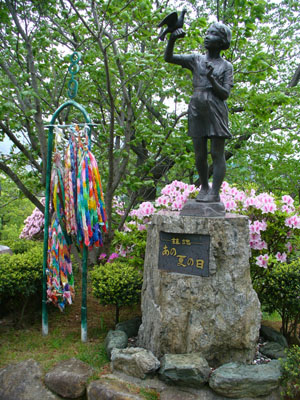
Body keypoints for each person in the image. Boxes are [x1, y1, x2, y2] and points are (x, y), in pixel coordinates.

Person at [164, 22, 233, 202]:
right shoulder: (196, 59)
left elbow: (225, 94)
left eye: (213, 34)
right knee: (199, 153)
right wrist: (172, 39)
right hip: (196, 107)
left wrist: (212, 78)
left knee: (217, 153)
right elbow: (169, 57)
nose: (207, 36)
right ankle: (204, 187)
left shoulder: (226, 66)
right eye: (207, 33)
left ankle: (215, 192)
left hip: (216, 108)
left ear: (222, 41)